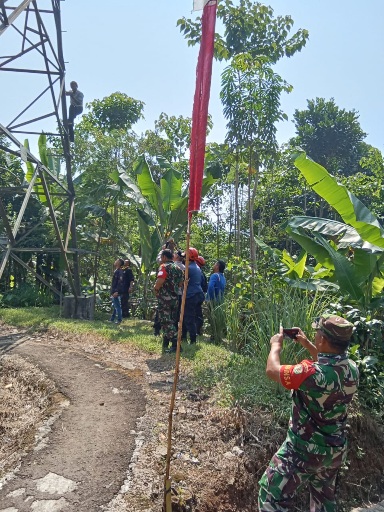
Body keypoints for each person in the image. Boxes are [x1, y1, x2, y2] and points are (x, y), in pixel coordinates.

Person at [258, 314, 359, 512]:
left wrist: (275, 345)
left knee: (271, 494)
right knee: (323, 501)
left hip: (303, 450)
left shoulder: (311, 374)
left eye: (317, 333)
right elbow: (328, 366)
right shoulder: (352, 369)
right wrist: (306, 343)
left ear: (322, 339)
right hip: (334, 450)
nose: (314, 336)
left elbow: (272, 370)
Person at [154, 249, 183, 352]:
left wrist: (156, 289)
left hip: (165, 298)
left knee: (165, 321)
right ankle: (166, 343)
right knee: (171, 320)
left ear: (164, 257)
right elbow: (180, 284)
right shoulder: (178, 268)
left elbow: (160, 281)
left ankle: (176, 344)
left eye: (161, 257)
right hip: (175, 298)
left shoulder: (164, 267)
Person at [181, 248, 205, 344]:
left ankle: (193, 340)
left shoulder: (188, 268)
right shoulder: (196, 267)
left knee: (189, 318)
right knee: (190, 317)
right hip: (198, 294)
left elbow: (181, 281)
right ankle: (184, 337)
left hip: (191, 295)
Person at [206, 260, 226, 342]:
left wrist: (209, 298)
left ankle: (213, 337)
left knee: (212, 319)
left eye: (215, 264)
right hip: (220, 301)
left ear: (217, 266)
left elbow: (210, 287)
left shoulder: (214, 276)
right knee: (217, 319)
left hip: (213, 300)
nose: (213, 265)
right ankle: (217, 336)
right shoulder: (223, 277)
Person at [109, 258, 125, 325]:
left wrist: (116, 291)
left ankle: (119, 320)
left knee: (117, 306)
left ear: (119, 263)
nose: (115, 261)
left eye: (117, 261)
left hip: (116, 291)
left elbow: (120, 283)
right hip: (114, 291)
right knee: (115, 306)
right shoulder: (117, 271)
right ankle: (112, 319)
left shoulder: (119, 271)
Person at [196, 255, 208, 335]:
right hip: (200, 295)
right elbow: (205, 287)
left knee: (192, 313)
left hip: (195, 295)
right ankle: (198, 330)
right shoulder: (202, 273)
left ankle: (195, 331)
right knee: (198, 313)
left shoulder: (196, 272)